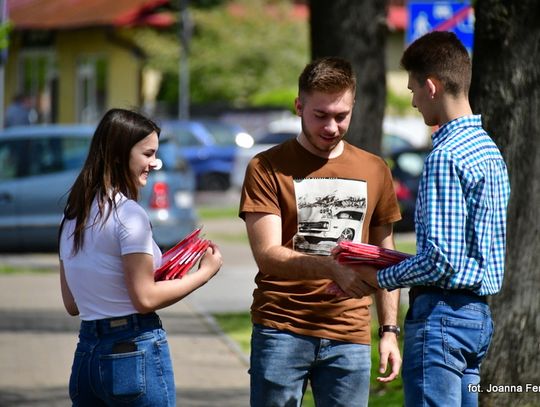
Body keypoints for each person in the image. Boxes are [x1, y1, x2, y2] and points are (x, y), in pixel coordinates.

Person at [355, 32, 511, 406]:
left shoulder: (446, 155)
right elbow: (462, 256)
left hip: (441, 318)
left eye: (412, 90)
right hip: (477, 318)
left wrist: (377, 277)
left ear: (431, 86)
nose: (412, 101)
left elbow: (440, 260)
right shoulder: (488, 150)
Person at [239, 57, 402, 407]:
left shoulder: (375, 169)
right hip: (282, 329)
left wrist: (389, 331)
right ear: (299, 106)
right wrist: (331, 267)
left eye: (341, 116)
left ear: (353, 106)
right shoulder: (266, 167)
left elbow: (384, 258)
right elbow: (267, 255)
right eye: (320, 115)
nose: (331, 126)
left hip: (350, 336)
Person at [59, 108, 222, 406]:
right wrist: (204, 273)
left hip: (87, 355)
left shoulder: (73, 216)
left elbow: (72, 304)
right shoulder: (128, 215)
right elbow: (145, 299)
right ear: (121, 153)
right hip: (131, 351)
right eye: (148, 154)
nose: (154, 163)